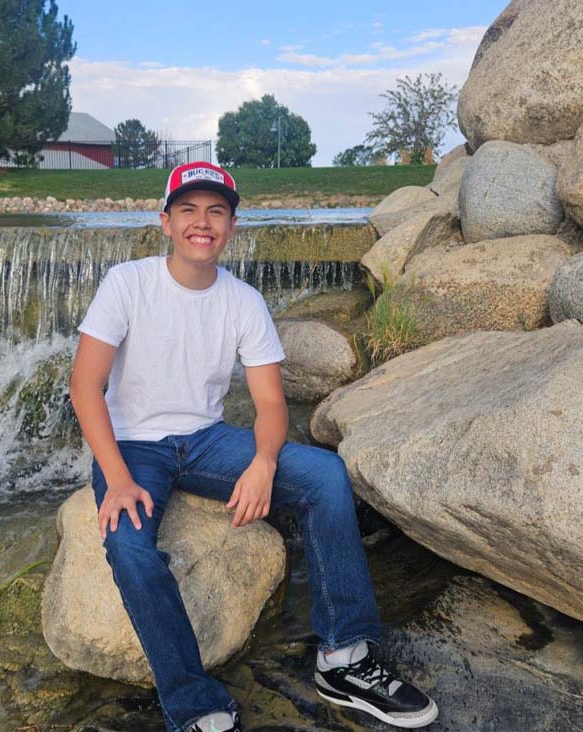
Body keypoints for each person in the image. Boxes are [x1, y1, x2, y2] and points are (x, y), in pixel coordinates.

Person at [70, 162, 438, 732]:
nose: (202, 222)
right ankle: (193, 701)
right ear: (165, 222)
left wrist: (264, 462)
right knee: (130, 546)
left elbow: (269, 405)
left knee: (323, 476)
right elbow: (85, 386)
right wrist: (116, 477)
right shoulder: (128, 282)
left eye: (215, 211)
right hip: (133, 446)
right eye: (188, 210)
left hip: (208, 442)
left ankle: (343, 657)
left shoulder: (243, 301)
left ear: (232, 226)